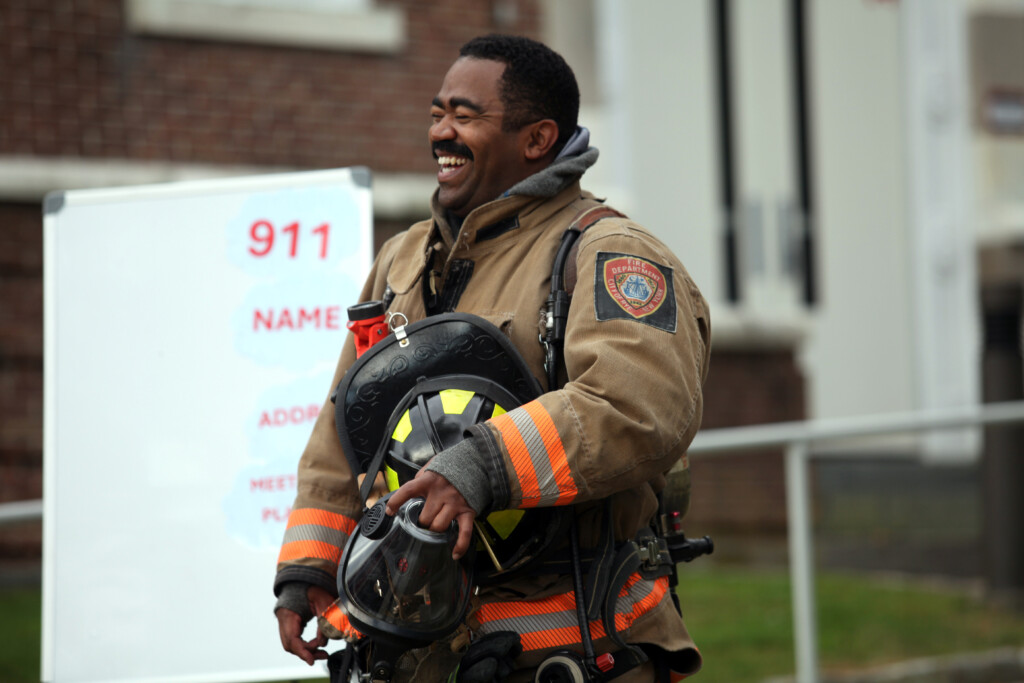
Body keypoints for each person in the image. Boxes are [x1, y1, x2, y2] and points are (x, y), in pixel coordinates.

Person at [273, 33, 711, 683]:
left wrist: (483, 462)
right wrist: (307, 567)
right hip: (415, 655)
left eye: (465, 116)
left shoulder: (608, 254)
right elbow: (349, 419)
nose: (441, 134)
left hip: (571, 656)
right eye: (436, 113)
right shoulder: (401, 260)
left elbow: (638, 405)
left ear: (536, 139)